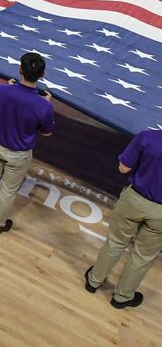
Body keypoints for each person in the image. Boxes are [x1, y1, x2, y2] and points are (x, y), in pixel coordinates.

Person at [0, 53, 54, 234]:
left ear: (20, 70)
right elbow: (47, 132)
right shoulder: (44, 106)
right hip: (19, 154)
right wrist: (46, 105)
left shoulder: (0, 90)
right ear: (43, 75)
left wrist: (5, 93)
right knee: (8, 191)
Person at [84, 129, 162, 309]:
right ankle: (122, 297)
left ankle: (94, 281)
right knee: (143, 256)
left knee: (115, 242)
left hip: (134, 201)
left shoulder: (148, 137)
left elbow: (123, 168)